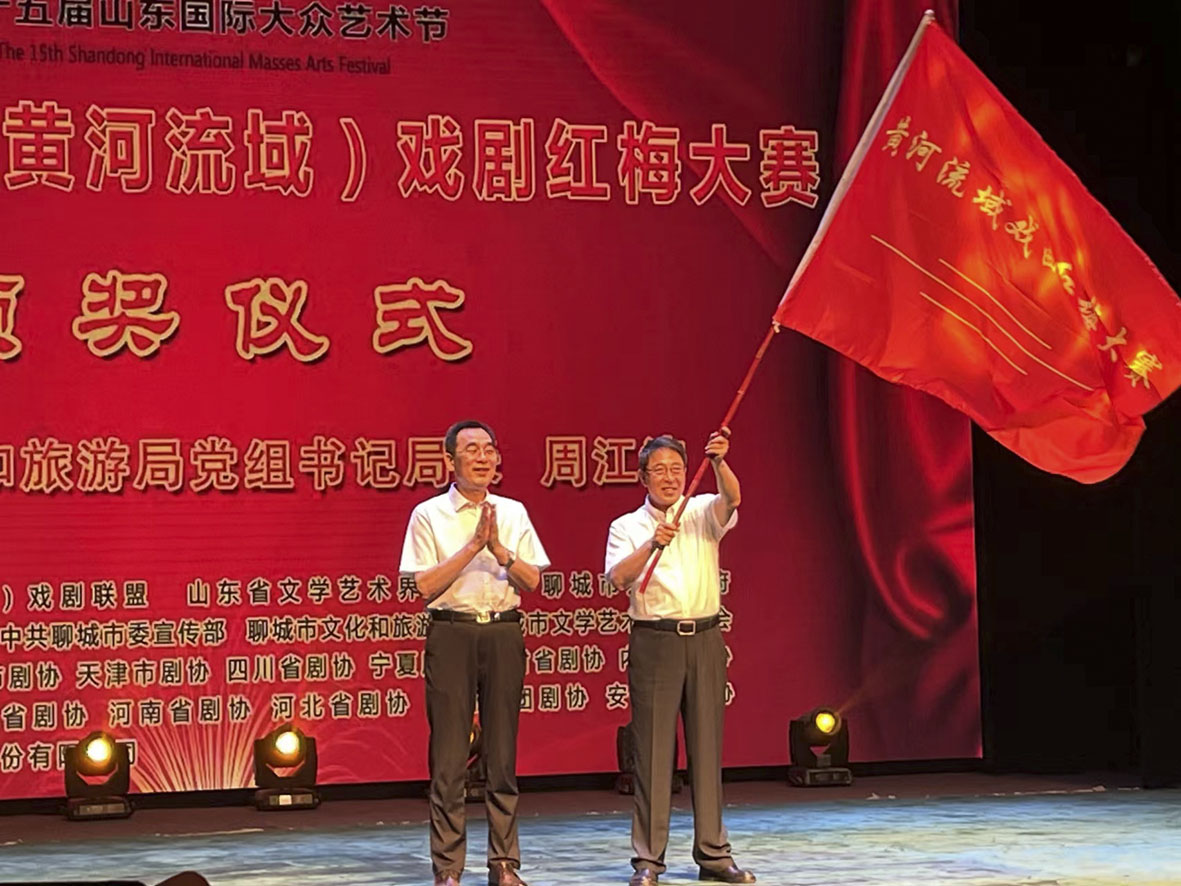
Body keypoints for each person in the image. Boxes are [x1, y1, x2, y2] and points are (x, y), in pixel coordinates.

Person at [400, 420, 550, 886]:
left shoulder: (514, 512)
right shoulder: (429, 514)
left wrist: (500, 550)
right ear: (450, 460)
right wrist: (473, 546)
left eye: (489, 449)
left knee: (502, 756)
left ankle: (504, 864)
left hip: (502, 631)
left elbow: (533, 581)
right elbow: (424, 586)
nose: (483, 457)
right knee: (449, 759)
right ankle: (448, 868)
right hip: (452, 633)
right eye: (471, 449)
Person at [605, 430, 754, 886]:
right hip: (656, 641)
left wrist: (720, 463)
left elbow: (733, 498)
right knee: (653, 753)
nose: (669, 478)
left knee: (707, 749)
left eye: (676, 469)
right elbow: (618, 579)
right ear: (643, 477)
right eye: (659, 470)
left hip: (705, 638)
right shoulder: (626, 525)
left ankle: (714, 854)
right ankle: (648, 860)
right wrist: (653, 543)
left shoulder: (701, 510)